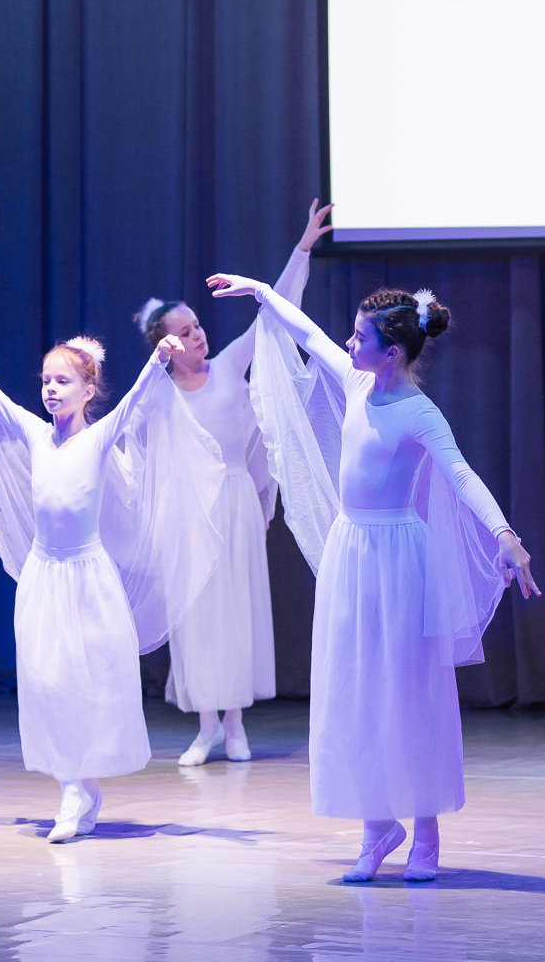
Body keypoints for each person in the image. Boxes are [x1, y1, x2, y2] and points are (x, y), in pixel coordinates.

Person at [206, 273, 540, 882]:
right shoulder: (357, 381)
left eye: (360, 338)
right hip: (350, 551)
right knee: (355, 687)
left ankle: (426, 835)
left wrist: (504, 534)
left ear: (392, 353)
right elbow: (307, 334)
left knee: (407, 691)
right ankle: (377, 827)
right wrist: (260, 292)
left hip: (398, 557)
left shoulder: (419, 412)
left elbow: (461, 475)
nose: (348, 343)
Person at [0, 324, 222, 841]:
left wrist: (159, 358)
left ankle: (82, 788)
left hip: (89, 580)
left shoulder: (98, 437)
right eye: (46, 380)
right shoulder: (34, 433)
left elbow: (136, 399)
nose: (50, 389)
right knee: (48, 682)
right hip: (44, 578)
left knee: (86, 685)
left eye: (63, 381)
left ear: (88, 391)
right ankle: (73, 790)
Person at [135, 200, 333, 766]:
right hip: (189, 513)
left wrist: (301, 249)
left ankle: (236, 725)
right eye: (184, 332)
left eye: (197, 325)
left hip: (236, 501)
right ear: (165, 346)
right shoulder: (157, 394)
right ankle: (206, 727)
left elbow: (274, 313)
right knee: (197, 618)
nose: (198, 335)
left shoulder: (226, 366)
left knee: (238, 611)